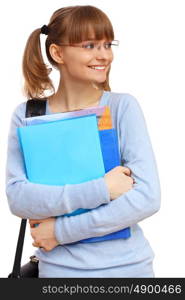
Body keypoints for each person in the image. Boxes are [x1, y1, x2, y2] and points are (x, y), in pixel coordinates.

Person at [6, 5, 161, 278]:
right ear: (57, 53)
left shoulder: (122, 107)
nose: (104, 55)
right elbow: (20, 199)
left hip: (128, 272)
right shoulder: (28, 115)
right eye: (90, 45)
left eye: (107, 44)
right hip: (59, 275)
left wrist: (61, 232)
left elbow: (147, 197)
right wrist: (102, 189)